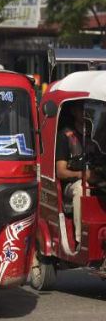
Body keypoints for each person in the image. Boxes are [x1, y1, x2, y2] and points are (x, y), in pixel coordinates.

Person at [56, 101, 101, 246]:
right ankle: (81, 240)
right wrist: (82, 175)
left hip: (97, 179)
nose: (87, 112)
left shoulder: (98, 136)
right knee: (82, 188)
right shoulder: (66, 135)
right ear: (74, 111)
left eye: (90, 109)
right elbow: (60, 171)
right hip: (72, 184)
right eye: (82, 108)